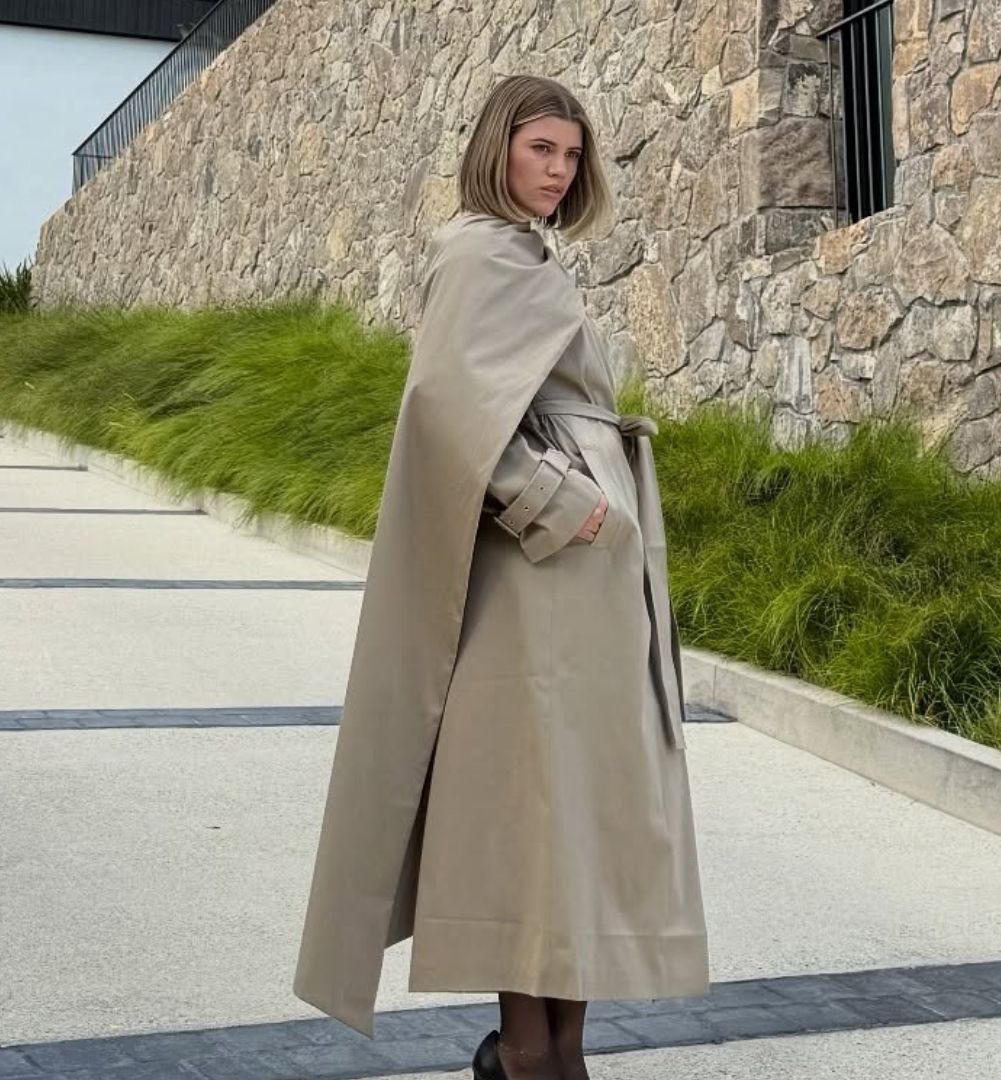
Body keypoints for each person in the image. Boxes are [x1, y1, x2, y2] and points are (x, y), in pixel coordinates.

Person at [293, 74, 708, 1080]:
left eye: (572, 157)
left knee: (575, 810)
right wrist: (567, 508)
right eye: (542, 152)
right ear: (499, 149)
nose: (560, 174)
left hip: (585, 587)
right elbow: (447, 407)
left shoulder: (524, 252)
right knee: (532, 808)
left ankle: (561, 1046)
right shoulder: (478, 251)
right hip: (539, 583)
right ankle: (530, 1050)